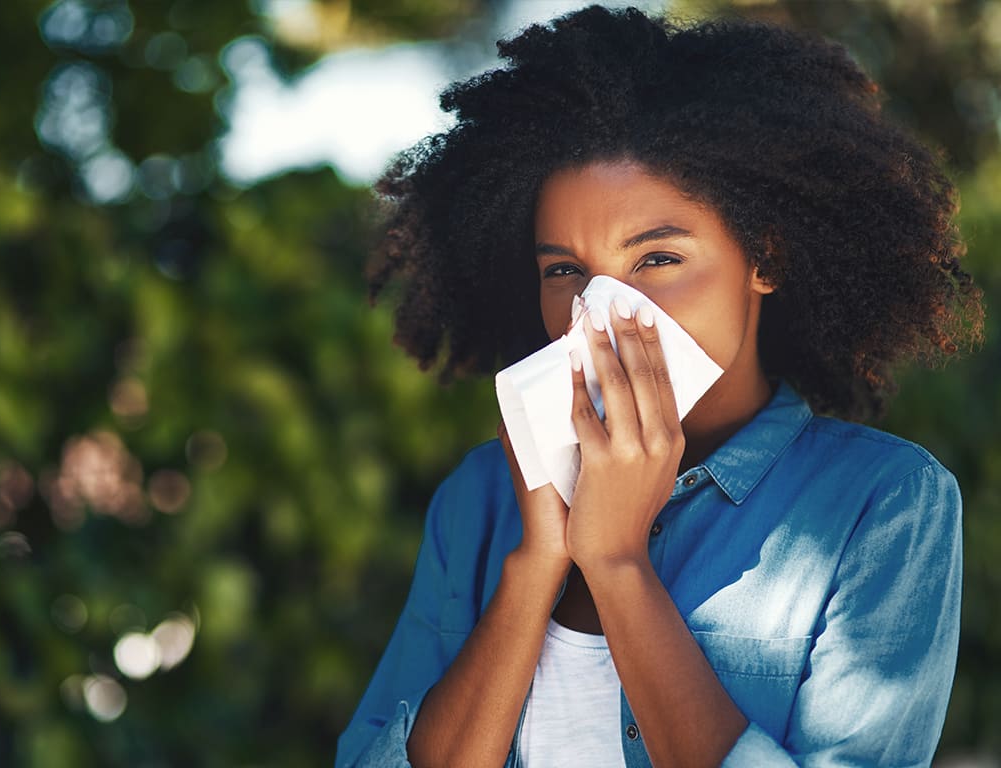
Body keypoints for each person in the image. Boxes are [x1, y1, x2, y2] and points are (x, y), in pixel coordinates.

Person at [337, 5, 984, 767]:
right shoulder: (481, 499)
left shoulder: (883, 503)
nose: (603, 310)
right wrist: (539, 559)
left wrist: (616, 564)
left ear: (764, 259)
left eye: (656, 260)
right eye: (564, 271)